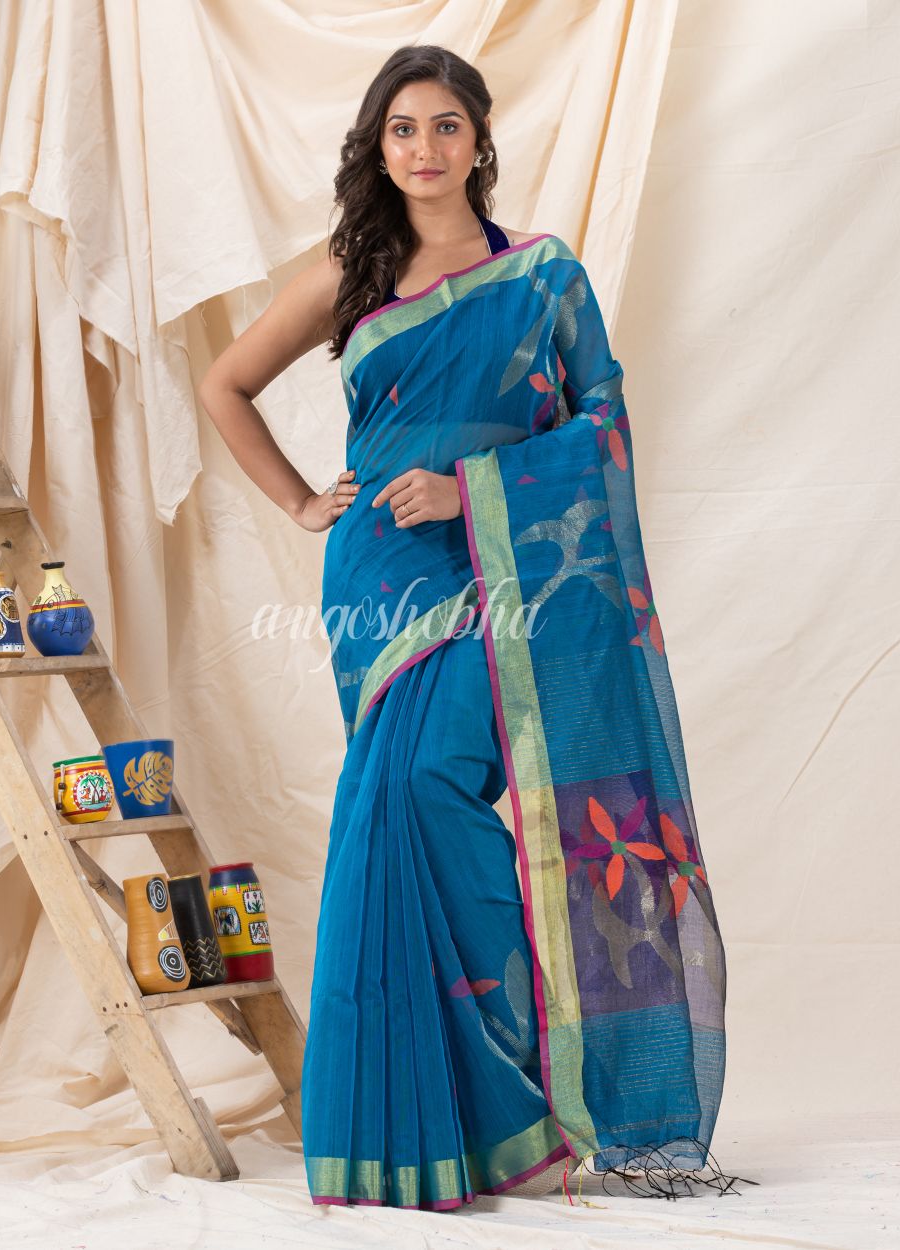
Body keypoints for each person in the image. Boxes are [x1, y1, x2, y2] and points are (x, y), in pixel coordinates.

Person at [200, 44, 743, 1212]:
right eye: (402, 129)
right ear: (376, 146)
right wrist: (302, 501)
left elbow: (602, 426)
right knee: (395, 802)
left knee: (427, 790)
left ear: (480, 140)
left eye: (445, 125)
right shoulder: (347, 272)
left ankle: (520, 1080)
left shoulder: (542, 275)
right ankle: (453, 1119)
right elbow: (222, 383)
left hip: (504, 562)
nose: (424, 148)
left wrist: (471, 491)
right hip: (378, 576)